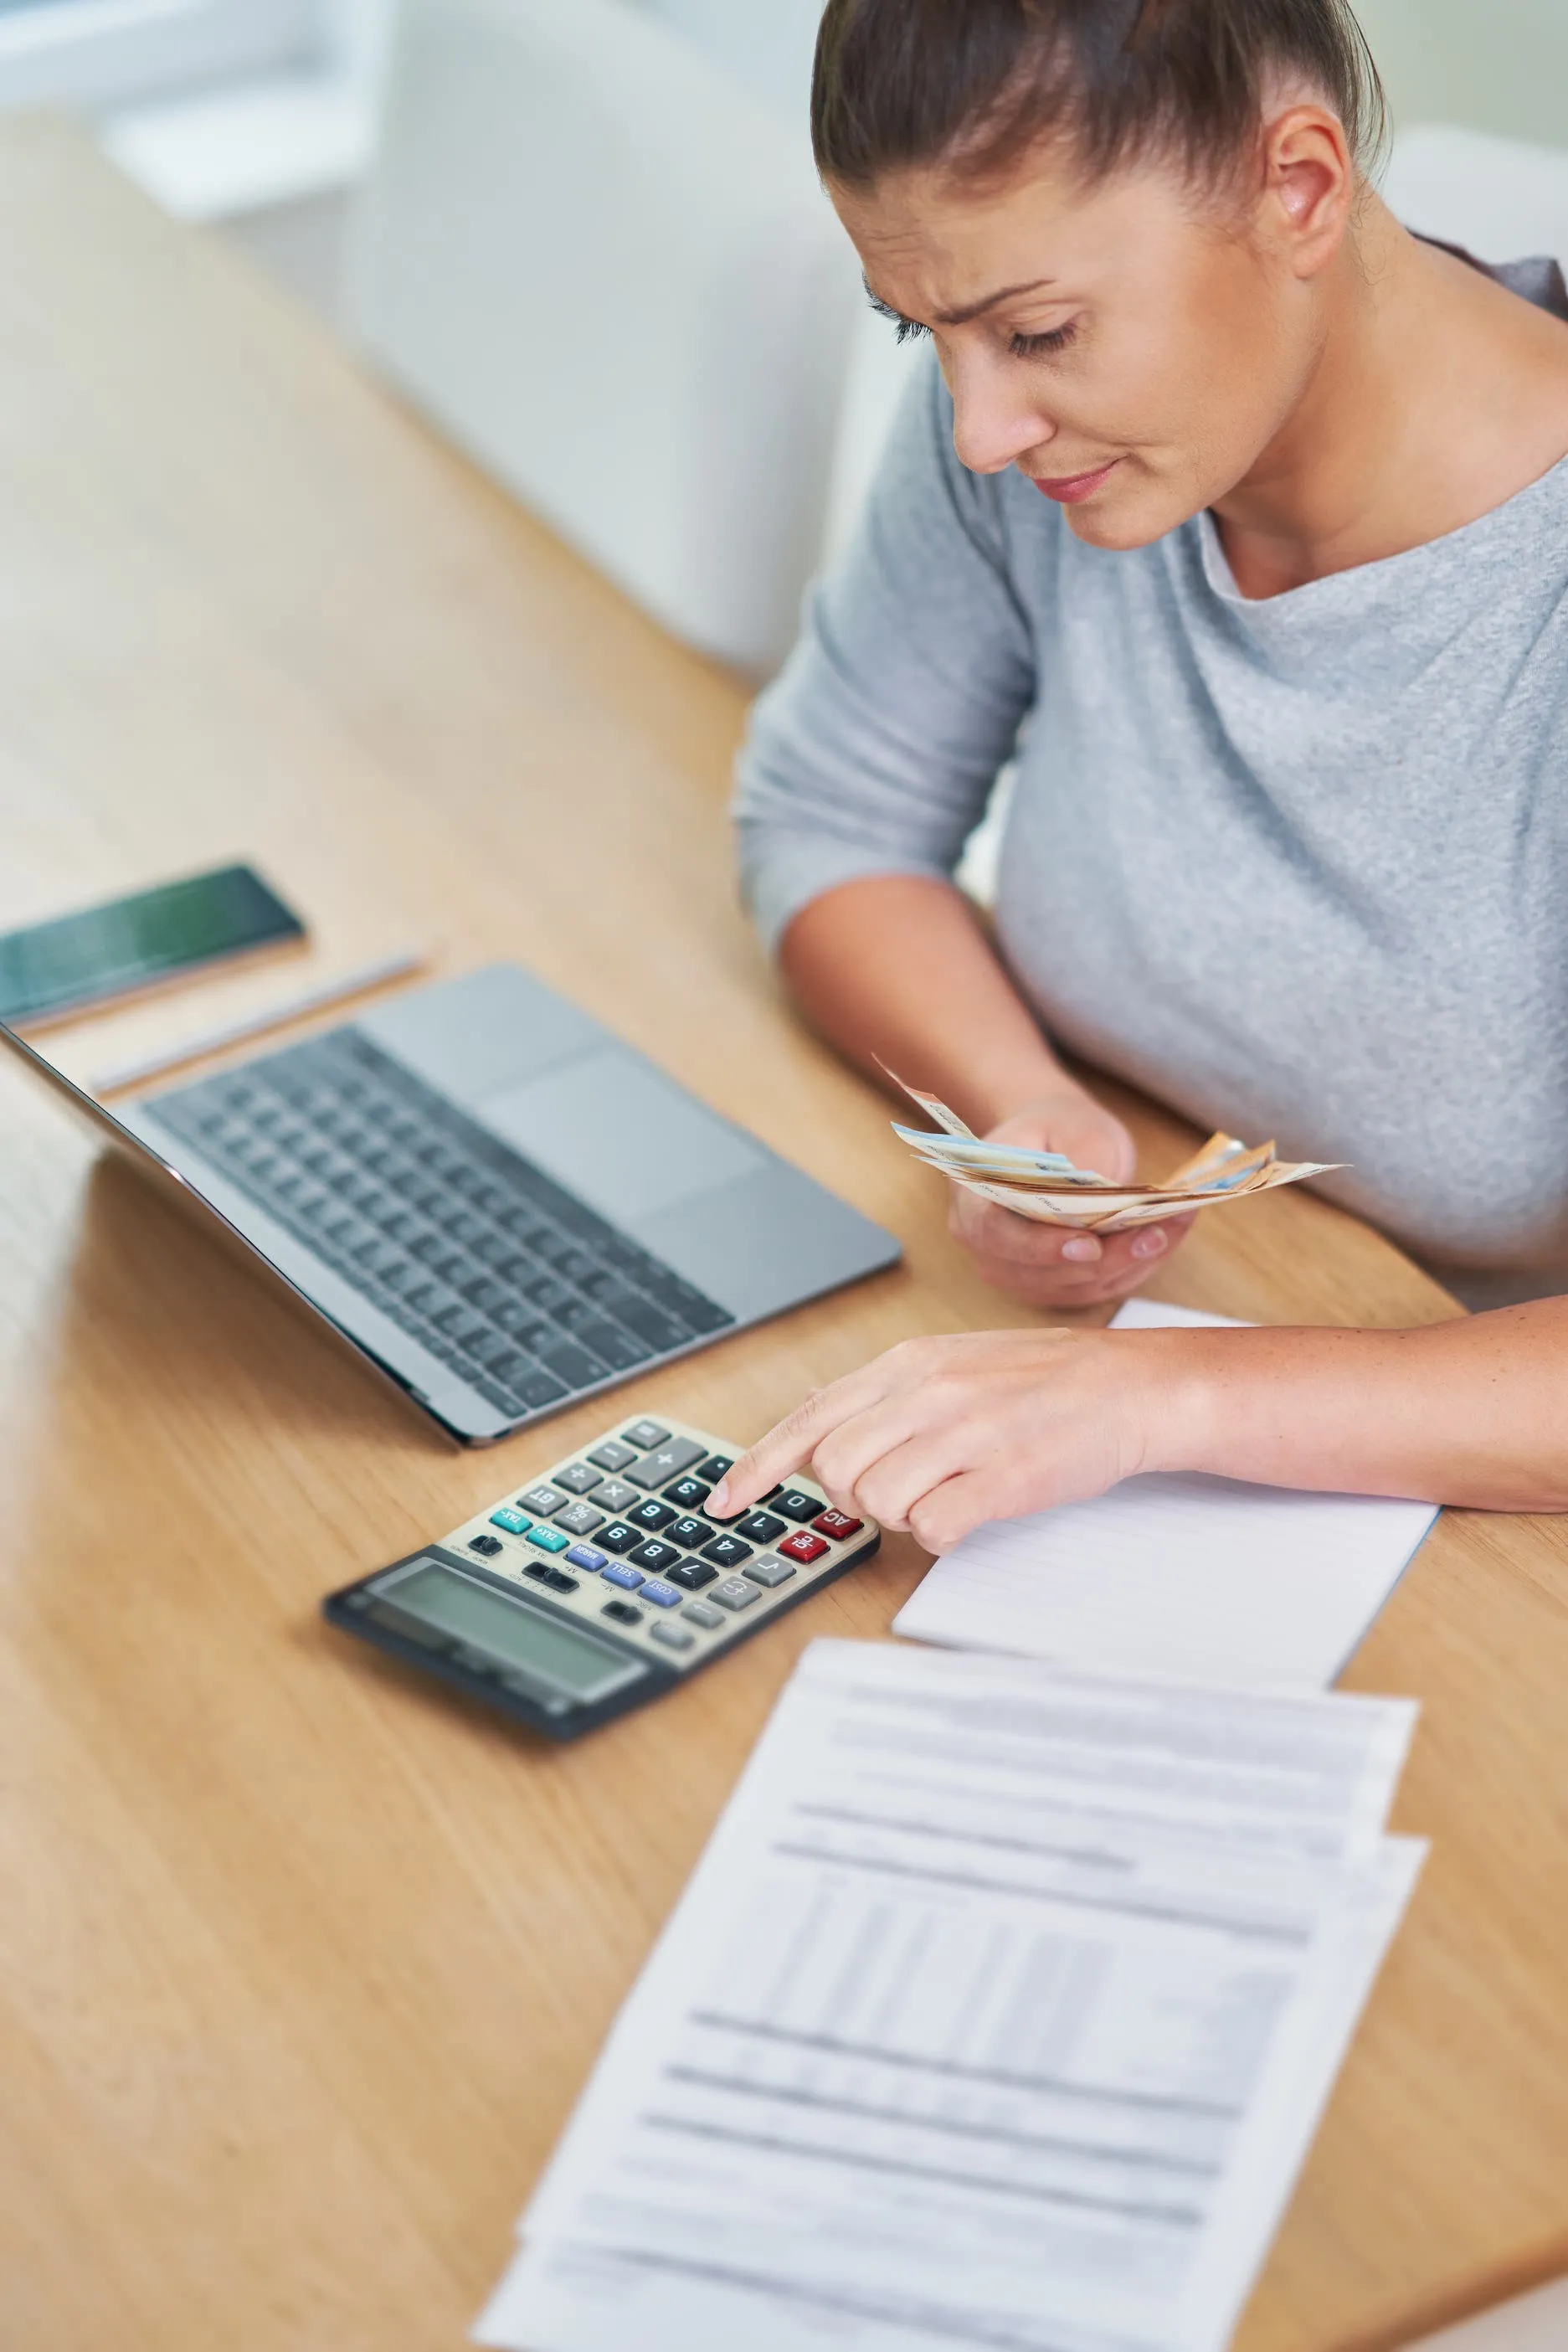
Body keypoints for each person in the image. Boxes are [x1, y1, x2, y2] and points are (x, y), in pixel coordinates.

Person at [712, 0, 1568, 1547]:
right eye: (930, 336)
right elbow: (831, 819)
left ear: (1297, 187)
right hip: (1201, 1373)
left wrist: (1163, 1404)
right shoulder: (1049, 435)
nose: (981, 429)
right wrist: (1019, 1110)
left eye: (1038, 334)